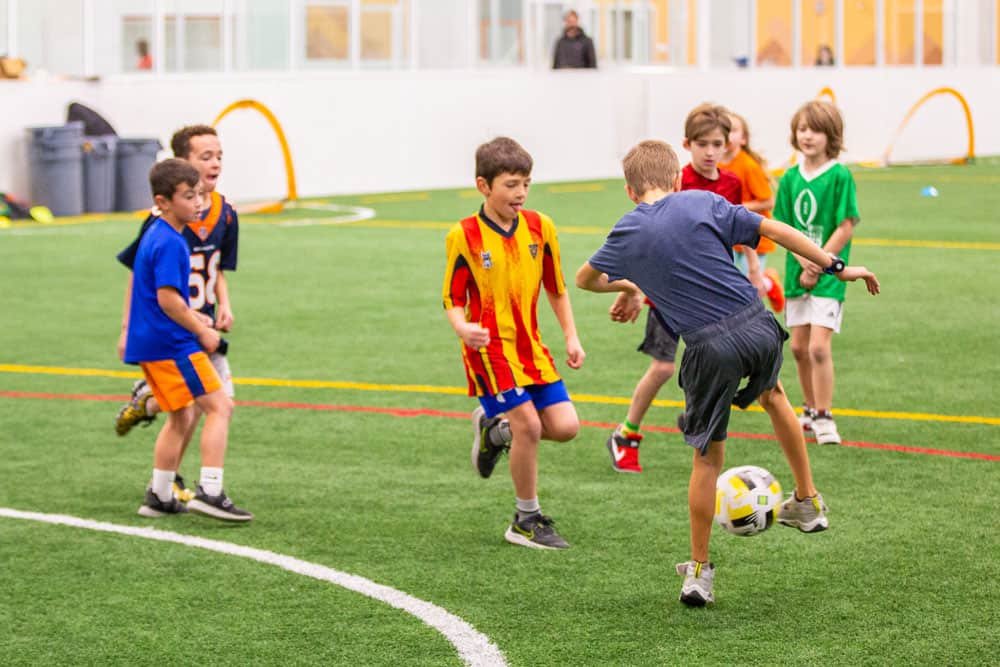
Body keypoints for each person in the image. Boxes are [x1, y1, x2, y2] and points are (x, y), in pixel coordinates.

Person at [576, 139, 879, 606]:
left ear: (629, 192)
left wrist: (633, 287)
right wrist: (836, 266)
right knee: (775, 396)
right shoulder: (703, 201)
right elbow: (776, 230)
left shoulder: (628, 229)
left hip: (707, 346)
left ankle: (698, 571)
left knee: (707, 458)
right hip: (758, 323)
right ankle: (809, 500)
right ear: (677, 178)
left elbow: (586, 279)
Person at [603, 103, 762, 475]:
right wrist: (635, 291)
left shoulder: (731, 184)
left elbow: (741, 231)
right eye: (702, 144)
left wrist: (753, 268)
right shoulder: (675, 182)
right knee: (661, 368)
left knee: (712, 364)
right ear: (687, 145)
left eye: (717, 144)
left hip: (711, 302)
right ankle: (626, 434)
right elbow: (647, 240)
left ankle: (695, 415)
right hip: (669, 297)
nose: (710, 151)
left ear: (728, 146)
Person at [442, 136, 585, 550]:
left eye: (526, 183)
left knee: (566, 427)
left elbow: (556, 288)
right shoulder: (463, 235)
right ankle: (525, 519)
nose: (520, 193)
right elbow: (452, 299)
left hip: (530, 349)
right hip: (488, 351)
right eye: (510, 184)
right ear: (483, 186)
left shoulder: (541, 227)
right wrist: (462, 328)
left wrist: (571, 337)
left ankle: (494, 432)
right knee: (529, 425)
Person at [115, 125, 239, 502]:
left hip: (200, 321)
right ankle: (186, 487)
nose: (215, 163)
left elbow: (215, 267)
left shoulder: (225, 215)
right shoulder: (166, 221)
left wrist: (224, 305)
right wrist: (125, 327)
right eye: (205, 157)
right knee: (210, 406)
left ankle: (165, 480)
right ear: (181, 164)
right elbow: (143, 277)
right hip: (177, 329)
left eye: (219, 156)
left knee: (194, 409)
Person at [773, 100, 859, 445]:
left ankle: (824, 415)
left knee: (819, 348)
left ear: (831, 136)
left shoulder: (839, 175)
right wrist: (800, 258)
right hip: (797, 273)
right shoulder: (790, 177)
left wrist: (822, 261)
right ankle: (808, 408)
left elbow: (846, 225)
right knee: (798, 347)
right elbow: (780, 226)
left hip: (828, 276)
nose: (807, 136)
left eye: (816, 130)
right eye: (802, 129)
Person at [720, 110, 785, 312]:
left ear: (744, 138)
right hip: (730, 237)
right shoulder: (717, 164)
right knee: (733, 285)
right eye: (725, 130)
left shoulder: (748, 166)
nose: (728, 135)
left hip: (754, 236)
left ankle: (770, 283)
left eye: (734, 130)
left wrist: (738, 208)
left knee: (750, 287)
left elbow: (767, 200)